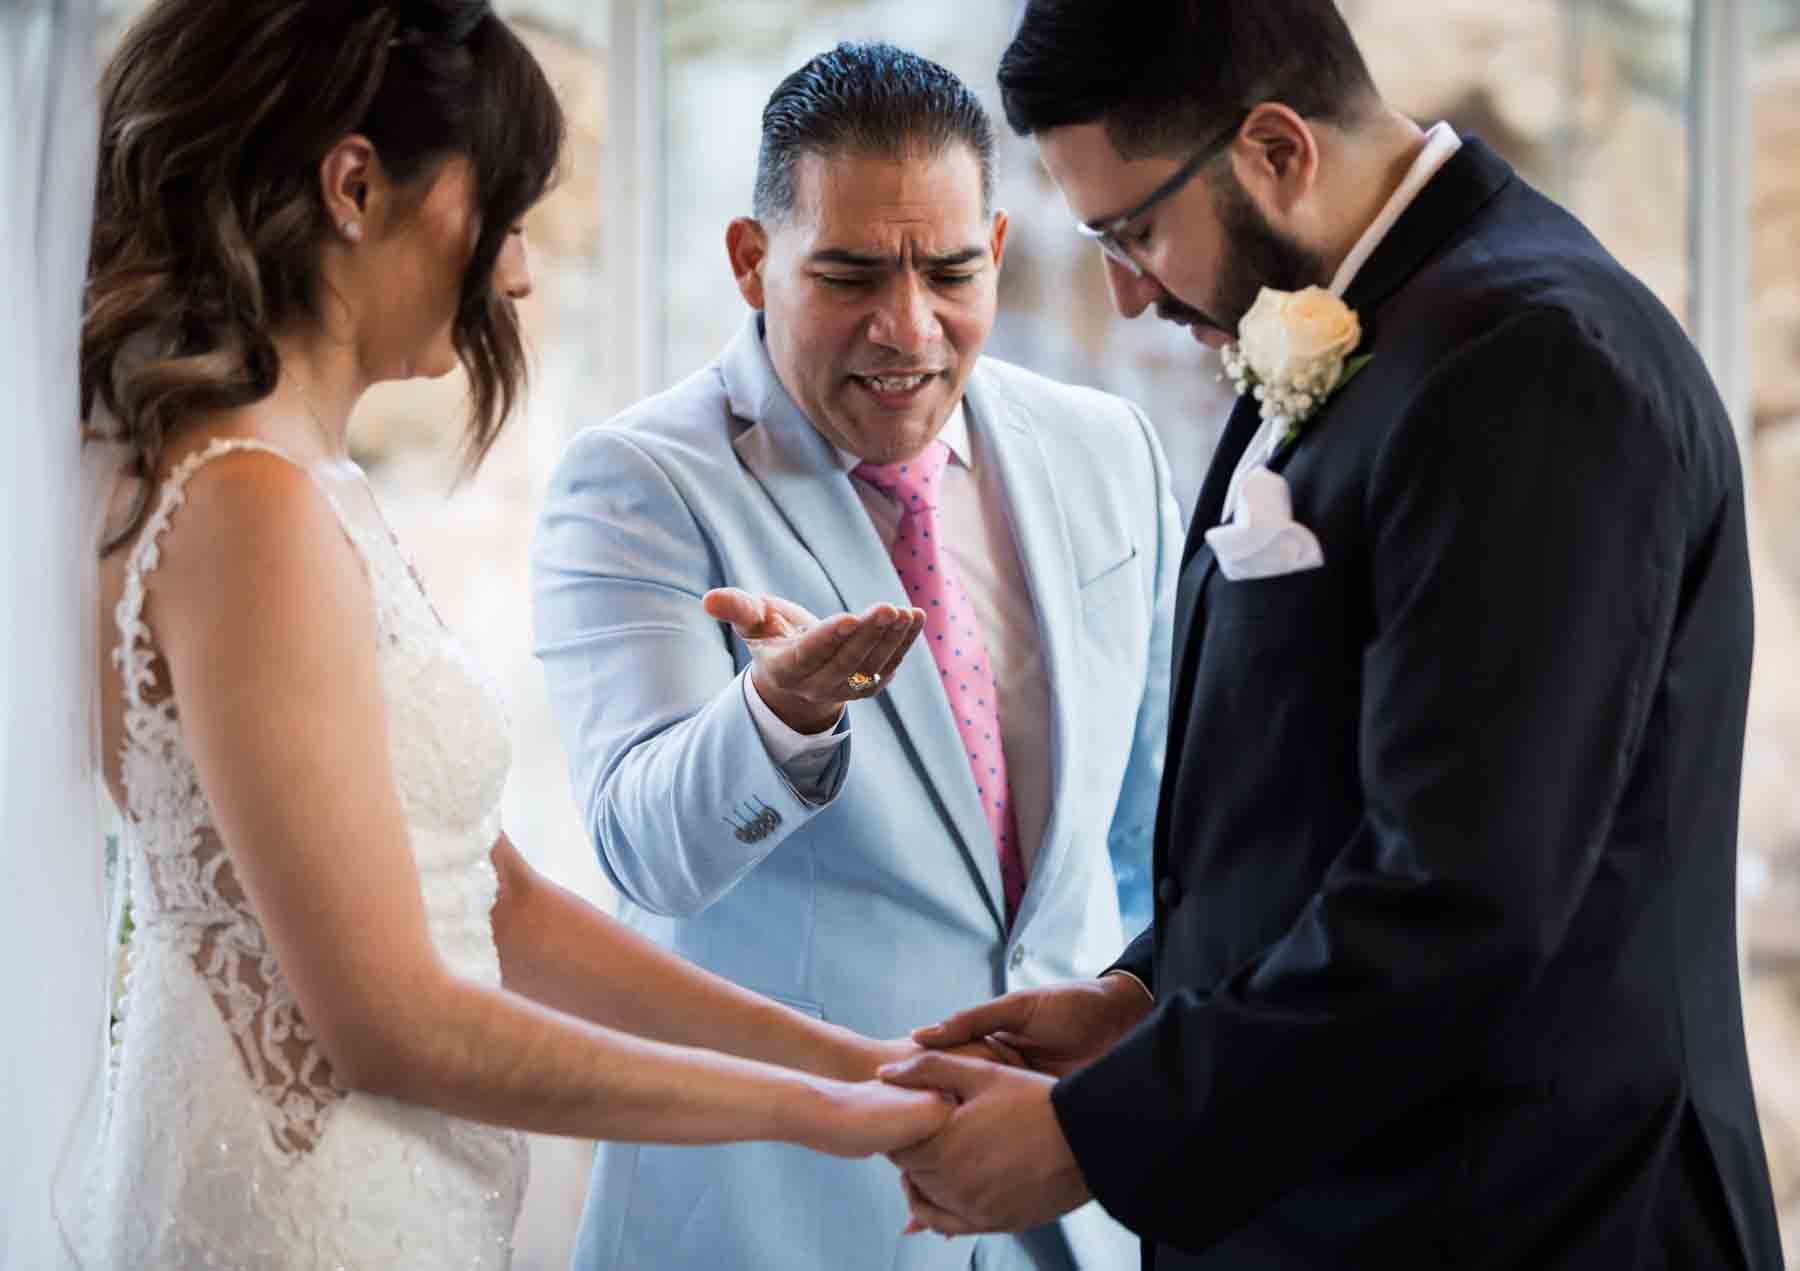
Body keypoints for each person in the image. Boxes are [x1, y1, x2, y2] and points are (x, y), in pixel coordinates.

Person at [882, 3, 1789, 1268]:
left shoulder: (1536, 363)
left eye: (1134, 229)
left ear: (1275, 150)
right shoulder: (1388, 317)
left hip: (1524, 1219)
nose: (1125, 293)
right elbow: (1318, 797)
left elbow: (1460, 892)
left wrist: (1098, 1134)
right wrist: (1144, 1000)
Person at [52, 2, 957, 1267]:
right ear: (357, 185)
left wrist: (852, 1054)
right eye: (506, 214)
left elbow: (504, 900)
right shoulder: (245, 503)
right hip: (295, 1210)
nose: (519, 272)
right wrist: (825, 1117)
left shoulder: (299, 484)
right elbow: (389, 1021)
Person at [533, 41, 1176, 1271]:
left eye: (947, 271)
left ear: (995, 249)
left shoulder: (1109, 450)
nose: (907, 327)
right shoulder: (636, 483)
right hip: (774, 1217)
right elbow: (643, 851)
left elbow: (1152, 833)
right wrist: (775, 720)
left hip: (1071, 1200)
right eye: (848, 274)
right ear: (748, 261)